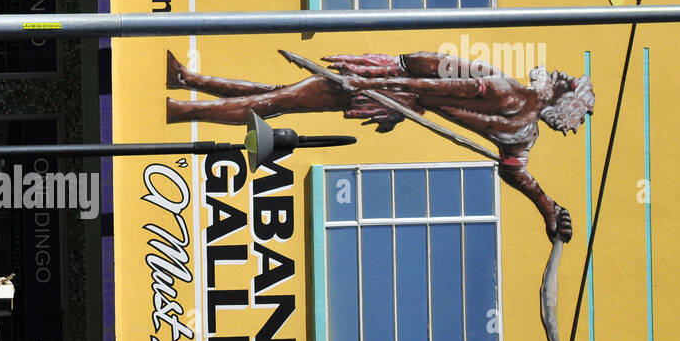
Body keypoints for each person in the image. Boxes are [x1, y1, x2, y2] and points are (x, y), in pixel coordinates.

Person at [166, 50, 594, 243]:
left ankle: (180, 109)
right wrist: (547, 207)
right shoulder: (524, 132)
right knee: (284, 96)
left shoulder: (503, 89)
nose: (555, 74)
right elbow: (515, 171)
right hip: (392, 95)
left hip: (385, 87)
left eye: (562, 80)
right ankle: (188, 82)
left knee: (278, 101)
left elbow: (423, 78)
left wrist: (374, 84)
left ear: (557, 95)